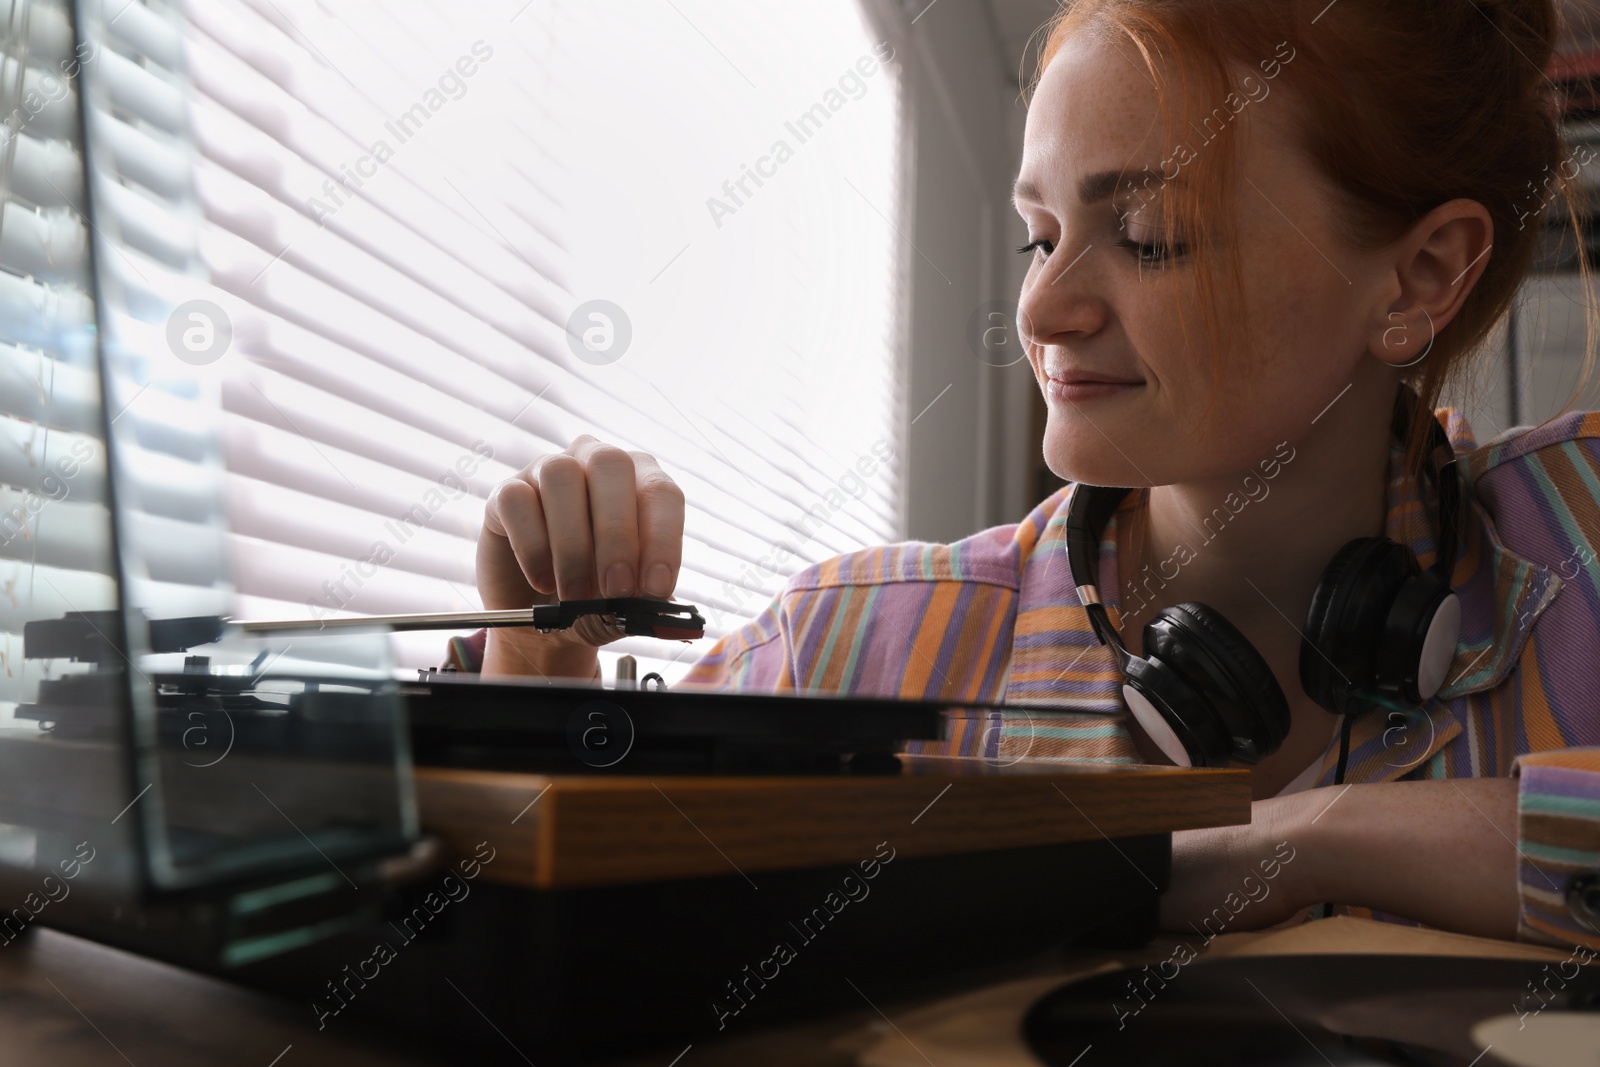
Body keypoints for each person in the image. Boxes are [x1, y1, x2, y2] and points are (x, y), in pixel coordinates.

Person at [469, 0, 1600, 951]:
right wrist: (537, 651)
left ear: (1419, 276)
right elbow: (511, 929)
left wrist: (1301, 840)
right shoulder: (861, 643)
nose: (1042, 310)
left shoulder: (1580, 541)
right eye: (1039, 234)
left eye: (1149, 232)